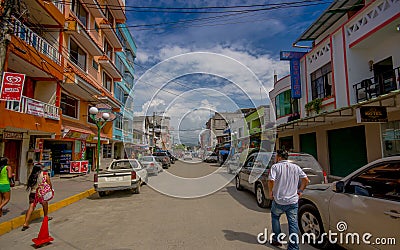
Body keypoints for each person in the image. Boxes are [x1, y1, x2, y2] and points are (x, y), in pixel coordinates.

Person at [267, 150, 309, 250]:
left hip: (279, 200)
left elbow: (271, 180)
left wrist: (271, 192)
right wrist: (300, 190)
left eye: (276, 156)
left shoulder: (275, 167)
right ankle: (293, 247)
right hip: (293, 201)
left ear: (279, 157)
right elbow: (306, 179)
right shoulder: (295, 167)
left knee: (275, 217)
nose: (275, 158)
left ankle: (277, 239)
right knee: (293, 224)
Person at [22, 164, 53, 231]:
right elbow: (49, 183)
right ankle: (45, 217)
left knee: (31, 207)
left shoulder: (32, 175)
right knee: (45, 205)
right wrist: (50, 190)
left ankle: (26, 222)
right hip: (41, 194)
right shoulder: (45, 174)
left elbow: (30, 185)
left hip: (33, 193)